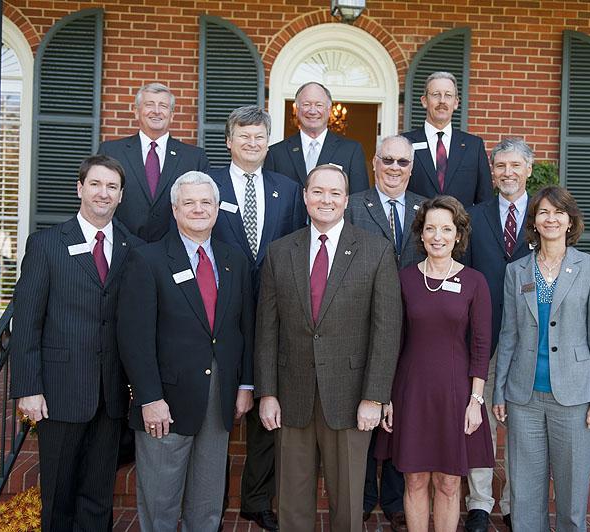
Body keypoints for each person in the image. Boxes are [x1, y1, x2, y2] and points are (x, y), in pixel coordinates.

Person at [254, 164, 402, 532]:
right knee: (292, 502)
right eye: (318, 192)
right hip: (292, 395)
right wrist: (267, 393)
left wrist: (375, 396)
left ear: (346, 200)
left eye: (335, 193)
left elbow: (386, 330)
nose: (326, 200)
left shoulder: (376, 251)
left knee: (349, 506)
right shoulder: (279, 252)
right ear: (305, 197)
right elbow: (267, 329)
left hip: (351, 398)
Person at [10, 154, 143, 531]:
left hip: (111, 392)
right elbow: (27, 323)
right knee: (59, 491)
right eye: (96, 184)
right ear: (80, 189)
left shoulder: (132, 249)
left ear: (120, 196)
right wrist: (28, 388)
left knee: (99, 492)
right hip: (60, 390)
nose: (104, 193)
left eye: (112, 187)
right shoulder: (47, 244)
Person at [117, 172, 255, 532]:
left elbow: (245, 328)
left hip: (219, 395)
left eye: (206, 202)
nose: (198, 209)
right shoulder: (148, 260)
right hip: (166, 399)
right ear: (175, 209)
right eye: (189, 203)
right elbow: (135, 338)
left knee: (208, 504)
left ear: (216, 209)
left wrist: (245, 385)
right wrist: (149, 397)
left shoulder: (234, 260)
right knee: (161, 504)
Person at [492, 186, 590, 532]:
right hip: (524, 396)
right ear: (534, 221)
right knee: (525, 496)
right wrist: (499, 390)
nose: (551, 219)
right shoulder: (517, 271)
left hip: (574, 398)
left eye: (559, 212)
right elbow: (509, 334)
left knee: (572, 496)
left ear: (570, 220)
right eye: (543, 212)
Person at [210, 105, 307, 531]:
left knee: (267, 406)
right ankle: (206, 500)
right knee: (213, 406)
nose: (252, 143)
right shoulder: (207, 185)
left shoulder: (286, 189)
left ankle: (254, 499)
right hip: (217, 312)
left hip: (273, 313)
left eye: (259, 137)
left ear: (268, 144)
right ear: (229, 141)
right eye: (244, 136)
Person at [377, 195, 494, 532]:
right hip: (411, 393)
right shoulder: (405, 279)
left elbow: (481, 346)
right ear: (421, 234)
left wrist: (476, 400)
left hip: (456, 396)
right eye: (431, 229)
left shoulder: (474, 281)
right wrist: (387, 398)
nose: (438, 236)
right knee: (414, 482)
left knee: (448, 483)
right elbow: (392, 341)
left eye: (446, 229)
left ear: (458, 235)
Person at [345, 134, 426, 531]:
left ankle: (394, 498)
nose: (395, 168)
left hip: (413, 327)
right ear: (374, 163)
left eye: (403, 162)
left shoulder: (425, 209)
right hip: (360, 324)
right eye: (388, 160)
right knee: (361, 408)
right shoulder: (354, 204)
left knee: (403, 413)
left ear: (412, 167)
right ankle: (362, 496)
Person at [463, 138, 534, 532]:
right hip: (484, 337)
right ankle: (479, 502)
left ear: (528, 169)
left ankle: (515, 503)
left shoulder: (546, 215)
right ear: (492, 172)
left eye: (515, 166)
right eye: (501, 166)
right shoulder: (475, 216)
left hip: (529, 338)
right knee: (480, 422)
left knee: (522, 425)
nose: (508, 173)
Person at [99, 82, 210, 242]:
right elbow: (100, 201)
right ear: (137, 112)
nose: (156, 111)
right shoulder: (111, 152)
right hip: (120, 248)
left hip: (175, 252)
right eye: (149, 104)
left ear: (172, 115)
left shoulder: (194, 158)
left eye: (163, 106)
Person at [403, 72, 492, 209]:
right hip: (415, 228)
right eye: (436, 94)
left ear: (456, 103)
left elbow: (485, 200)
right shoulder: (405, 142)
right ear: (424, 101)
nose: (442, 101)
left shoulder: (474, 146)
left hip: (462, 229)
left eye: (448, 95)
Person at [265, 81, 370, 194]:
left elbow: (359, 199)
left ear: (329, 110)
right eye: (306, 104)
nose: (313, 111)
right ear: (297, 110)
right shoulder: (276, 153)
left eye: (319, 105)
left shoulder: (351, 151)